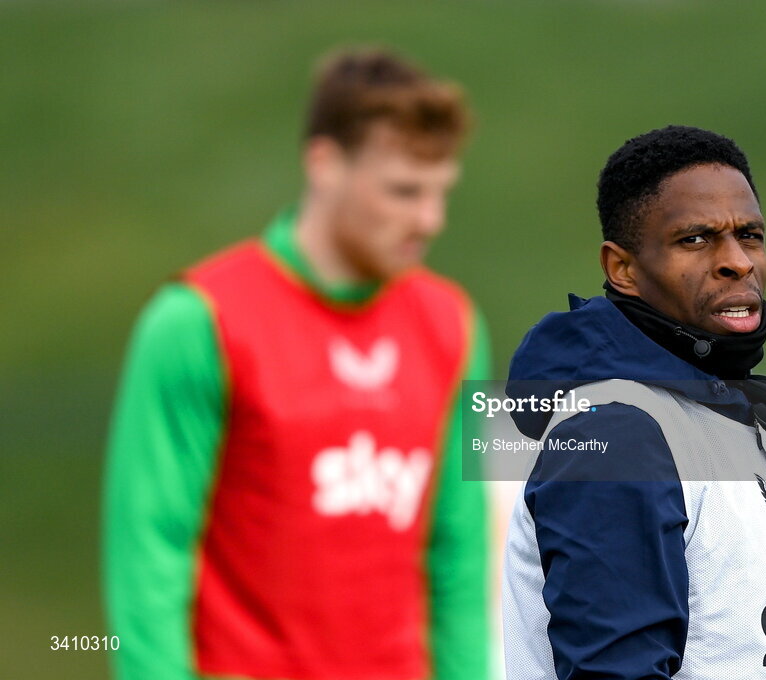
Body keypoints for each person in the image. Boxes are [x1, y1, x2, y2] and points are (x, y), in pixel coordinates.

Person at [103, 48, 491, 680]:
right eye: (403, 190)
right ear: (325, 165)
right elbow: (151, 556)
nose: (430, 219)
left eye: (441, 192)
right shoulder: (196, 320)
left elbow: (458, 554)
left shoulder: (453, 323)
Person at [501, 125, 766, 680]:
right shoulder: (616, 433)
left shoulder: (744, 423)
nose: (737, 262)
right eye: (695, 239)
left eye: (749, 236)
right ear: (622, 269)